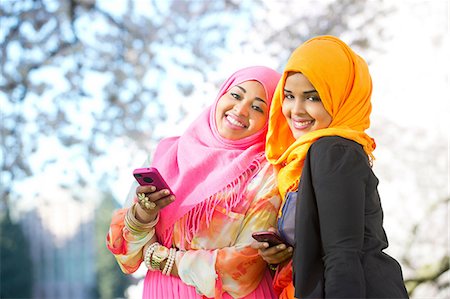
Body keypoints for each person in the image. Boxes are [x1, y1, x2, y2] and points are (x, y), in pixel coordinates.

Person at [107, 66, 283, 298]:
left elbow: (246, 264)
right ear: (221, 95)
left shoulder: (265, 174)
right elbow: (127, 254)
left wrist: (165, 260)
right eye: (236, 95)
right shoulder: (166, 154)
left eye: (258, 107)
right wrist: (142, 217)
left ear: (270, 119)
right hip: (161, 292)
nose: (240, 110)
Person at [256, 36, 409, 298]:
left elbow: (342, 256)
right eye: (289, 96)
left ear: (340, 97)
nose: (296, 110)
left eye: (313, 97)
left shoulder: (333, 150)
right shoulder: (304, 161)